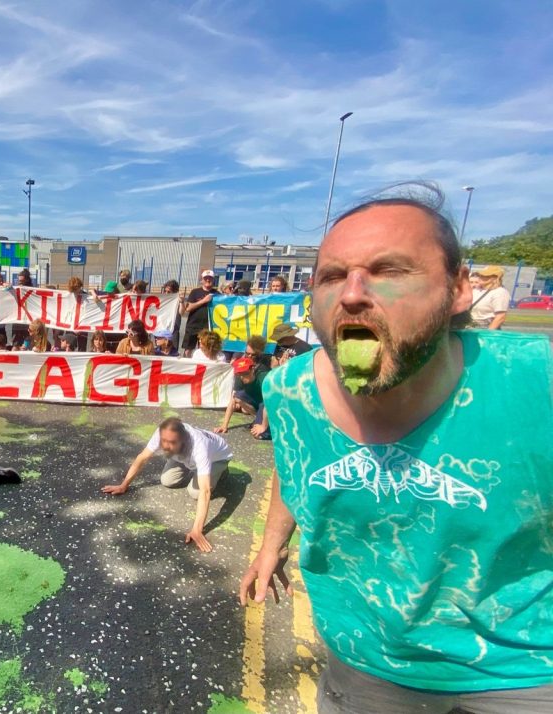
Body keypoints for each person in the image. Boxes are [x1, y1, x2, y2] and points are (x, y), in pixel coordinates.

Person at [239, 190, 553, 712]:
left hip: (523, 669)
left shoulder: (534, 382)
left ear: (457, 290)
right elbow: (294, 469)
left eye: (389, 270)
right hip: (367, 665)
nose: (353, 293)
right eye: (333, 276)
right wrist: (271, 546)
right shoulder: (288, 390)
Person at [102, 417, 232, 552]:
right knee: (167, 481)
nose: (165, 446)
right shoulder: (162, 434)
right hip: (186, 457)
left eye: (171, 442)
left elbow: (205, 491)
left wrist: (197, 530)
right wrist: (124, 485)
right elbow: (142, 458)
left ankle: (221, 473)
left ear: (183, 440)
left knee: (196, 492)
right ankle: (197, 471)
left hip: (217, 458)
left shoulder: (200, 447)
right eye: (163, 441)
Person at [213, 357, 266, 434]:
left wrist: (263, 425)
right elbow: (232, 401)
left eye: (245, 373)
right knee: (237, 396)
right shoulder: (239, 378)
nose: (242, 377)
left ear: (252, 369)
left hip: (266, 402)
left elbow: (270, 401)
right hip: (256, 401)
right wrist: (224, 425)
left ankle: (261, 420)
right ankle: (257, 417)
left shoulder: (263, 378)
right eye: (240, 373)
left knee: (261, 434)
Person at [182, 270, 219, 353]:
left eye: (210, 278)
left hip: (208, 327)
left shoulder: (217, 294)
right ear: (202, 280)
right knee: (188, 351)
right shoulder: (195, 292)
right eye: (206, 278)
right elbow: (188, 308)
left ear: (213, 280)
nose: (208, 280)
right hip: (193, 325)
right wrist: (203, 301)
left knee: (204, 350)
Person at [469, 265, 511, 330]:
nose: (480, 277)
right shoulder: (476, 290)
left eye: (484, 275)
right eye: (480, 275)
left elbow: (500, 317)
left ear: (494, 278)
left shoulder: (500, 292)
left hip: (485, 328)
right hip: (470, 326)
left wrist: (488, 333)